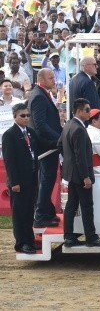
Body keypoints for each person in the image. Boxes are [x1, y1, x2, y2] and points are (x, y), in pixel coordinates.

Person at [59, 98, 100, 247]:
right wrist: (85, 177)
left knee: (71, 206)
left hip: (71, 174)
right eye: (87, 110)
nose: (90, 113)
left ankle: (69, 237)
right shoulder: (78, 129)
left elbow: (60, 145)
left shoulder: (68, 125)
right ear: (79, 111)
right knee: (86, 206)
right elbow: (81, 156)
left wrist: (69, 164)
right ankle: (91, 237)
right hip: (80, 175)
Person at [3, 103, 39, 254]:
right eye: (22, 116)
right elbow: (9, 161)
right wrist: (14, 182)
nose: (26, 118)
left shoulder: (30, 132)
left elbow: (40, 147)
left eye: (28, 115)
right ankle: (21, 243)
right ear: (15, 117)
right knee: (19, 213)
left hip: (31, 179)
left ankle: (29, 240)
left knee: (29, 211)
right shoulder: (9, 135)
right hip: (18, 181)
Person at [29, 68, 63, 228]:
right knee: (46, 179)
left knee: (47, 179)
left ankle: (47, 211)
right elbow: (40, 125)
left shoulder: (42, 94)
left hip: (48, 144)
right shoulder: (38, 96)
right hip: (46, 145)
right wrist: (59, 139)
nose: (54, 80)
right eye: (50, 78)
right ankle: (41, 215)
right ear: (41, 79)